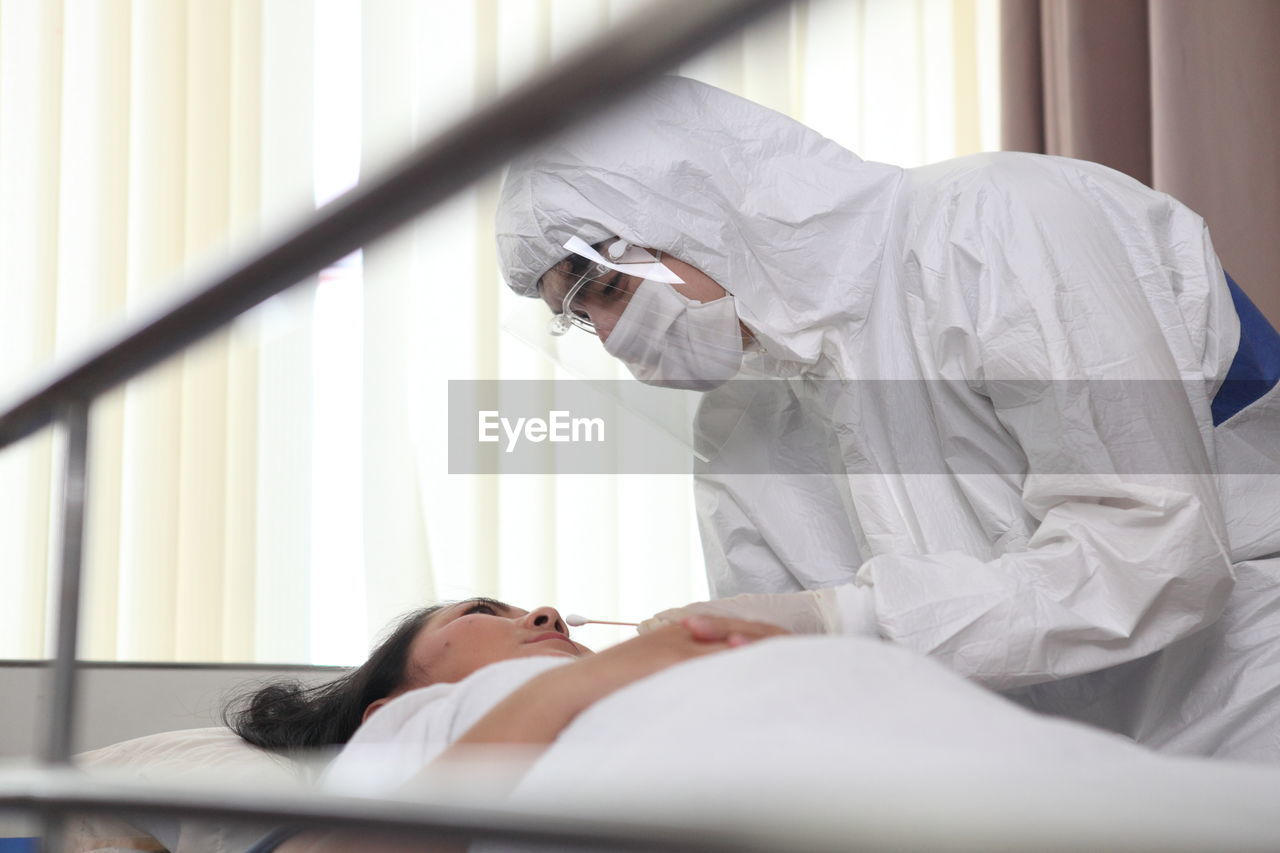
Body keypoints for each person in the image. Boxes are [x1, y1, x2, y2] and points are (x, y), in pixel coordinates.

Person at [494, 75, 1280, 761]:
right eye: (576, 315)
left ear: (696, 203)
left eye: (605, 289)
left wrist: (843, 618)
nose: (606, 335)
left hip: (1241, 692)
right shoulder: (740, 418)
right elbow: (790, 677)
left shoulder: (997, 225)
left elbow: (1158, 551)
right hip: (1039, 763)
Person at [230, 598, 1280, 853]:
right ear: (386, 699)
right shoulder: (410, 723)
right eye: (484, 613)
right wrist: (574, 687)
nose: (539, 611)